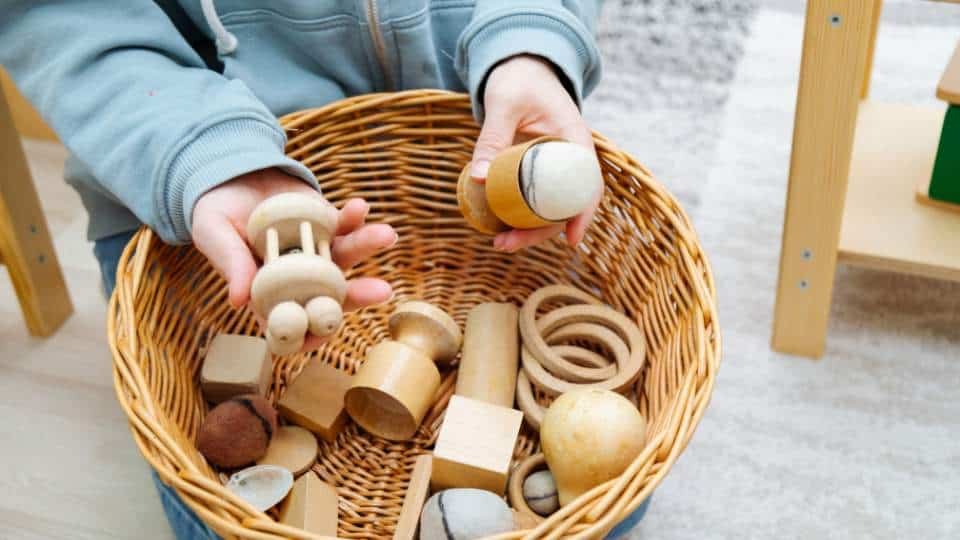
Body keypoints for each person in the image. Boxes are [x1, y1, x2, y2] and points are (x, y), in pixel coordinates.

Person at [1, 1, 603, 538]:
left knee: (608, 508)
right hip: (175, 164)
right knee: (209, 516)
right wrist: (203, 152)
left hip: (464, 125)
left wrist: (530, 41)